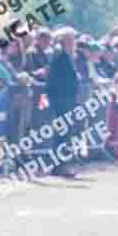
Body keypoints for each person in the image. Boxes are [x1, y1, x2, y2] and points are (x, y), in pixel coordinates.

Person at [44, 27, 80, 177]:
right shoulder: (59, 53)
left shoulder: (66, 54)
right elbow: (55, 77)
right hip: (61, 98)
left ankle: (60, 165)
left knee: (64, 132)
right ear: (64, 39)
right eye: (71, 39)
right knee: (62, 132)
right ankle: (59, 166)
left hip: (66, 98)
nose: (74, 42)